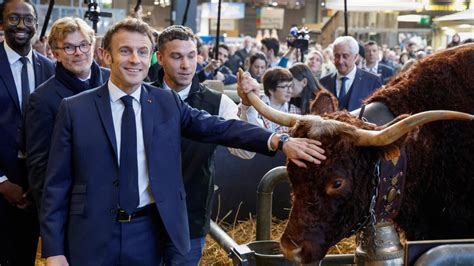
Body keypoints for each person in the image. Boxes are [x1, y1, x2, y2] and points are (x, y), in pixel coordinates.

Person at [40, 18, 326, 266]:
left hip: (147, 233)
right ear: (105, 56)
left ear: (151, 56)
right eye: (124, 51)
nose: (134, 60)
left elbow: (220, 127)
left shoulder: (166, 103)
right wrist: (53, 251)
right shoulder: (75, 108)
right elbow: (56, 186)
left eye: (142, 52)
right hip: (90, 236)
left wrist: (277, 139)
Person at [150, 25, 259, 264]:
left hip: (190, 217)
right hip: (144, 219)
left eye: (191, 56)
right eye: (177, 57)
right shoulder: (140, 94)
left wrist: (248, 105)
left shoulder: (217, 102)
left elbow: (246, 151)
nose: (187, 65)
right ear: (160, 57)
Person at [25, 17, 110, 209]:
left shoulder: (114, 81)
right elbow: (40, 168)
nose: (79, 53)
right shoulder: (42, 99)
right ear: (55, 53)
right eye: (69, 48)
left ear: (93, 45)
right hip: (75, 207)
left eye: (83, 45)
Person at [0, 0, 54, 265]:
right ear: (1, 24)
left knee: (24, 257)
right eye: (13, 19)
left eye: (28, 19)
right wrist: (0, 182)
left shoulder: (50, 68)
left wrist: (39, 182)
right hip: (1, 180)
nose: (21, 25)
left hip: (35, 185)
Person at [319, 36, 382, 111]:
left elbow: (378, 113)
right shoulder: (323, 83)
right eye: (337, 56)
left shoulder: (372, 82)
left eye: (345, 56)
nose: (340, 61)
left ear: (355, 57)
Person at [240, 67, 301, 133]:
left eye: (290, 86)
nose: (290, 91)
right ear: (271, 90)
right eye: (284, 87)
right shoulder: (250, 105)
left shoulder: (296, 112)